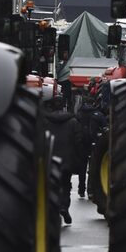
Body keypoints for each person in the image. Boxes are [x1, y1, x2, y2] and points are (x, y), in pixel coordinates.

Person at [43, 94, 82, 224]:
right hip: (67, 160)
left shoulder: (45, 121)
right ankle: (64, 207)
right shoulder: (73, 122)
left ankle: (52, 209)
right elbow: (78, 141)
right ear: (64, 106)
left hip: (50, 159)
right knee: (66, 185)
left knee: (51, 186)